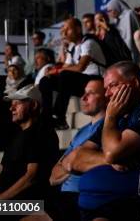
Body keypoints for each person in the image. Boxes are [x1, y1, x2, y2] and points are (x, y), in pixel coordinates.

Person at [70, 62, 140, 221]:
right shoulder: (119, 116)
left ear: (135, 83)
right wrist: (109, 160)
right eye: (105, 88)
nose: (107, 94)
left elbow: (112, 153)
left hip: (132, 203)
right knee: (32, 208)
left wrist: (110, 117)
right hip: (89, 201)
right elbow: (75, 159)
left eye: (113, 86)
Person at [0, 85, 59, 208]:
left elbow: (31, 177)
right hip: (3, 200)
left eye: (17, 104)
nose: (11, 108)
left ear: (33, 105)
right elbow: (0, 176)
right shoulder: (14, 135)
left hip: (28, 202)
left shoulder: (43, 133)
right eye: (12, 104)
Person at [49, 78, 107, 221]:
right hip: (61, 196)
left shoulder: (108, 128)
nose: (83, 98)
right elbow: (53, 175)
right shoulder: (82, 131)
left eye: (91, 93)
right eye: (83, 93)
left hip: (80, 198)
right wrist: (73, 165)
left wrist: (69, 164)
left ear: (107, 97)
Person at [39, 17, 106, 130]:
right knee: (46, 81)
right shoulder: (72, 47)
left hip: (96, 81)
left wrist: (56, 70)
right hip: (79, 81)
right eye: (63, 30)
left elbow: (80, 67)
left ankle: (60, 117)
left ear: (78, 29)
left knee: (65, 75)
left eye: (67, 29)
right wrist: (52, 71)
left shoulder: (88, 43)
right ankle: (47, 117)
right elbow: (66, 66)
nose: (64, 32)